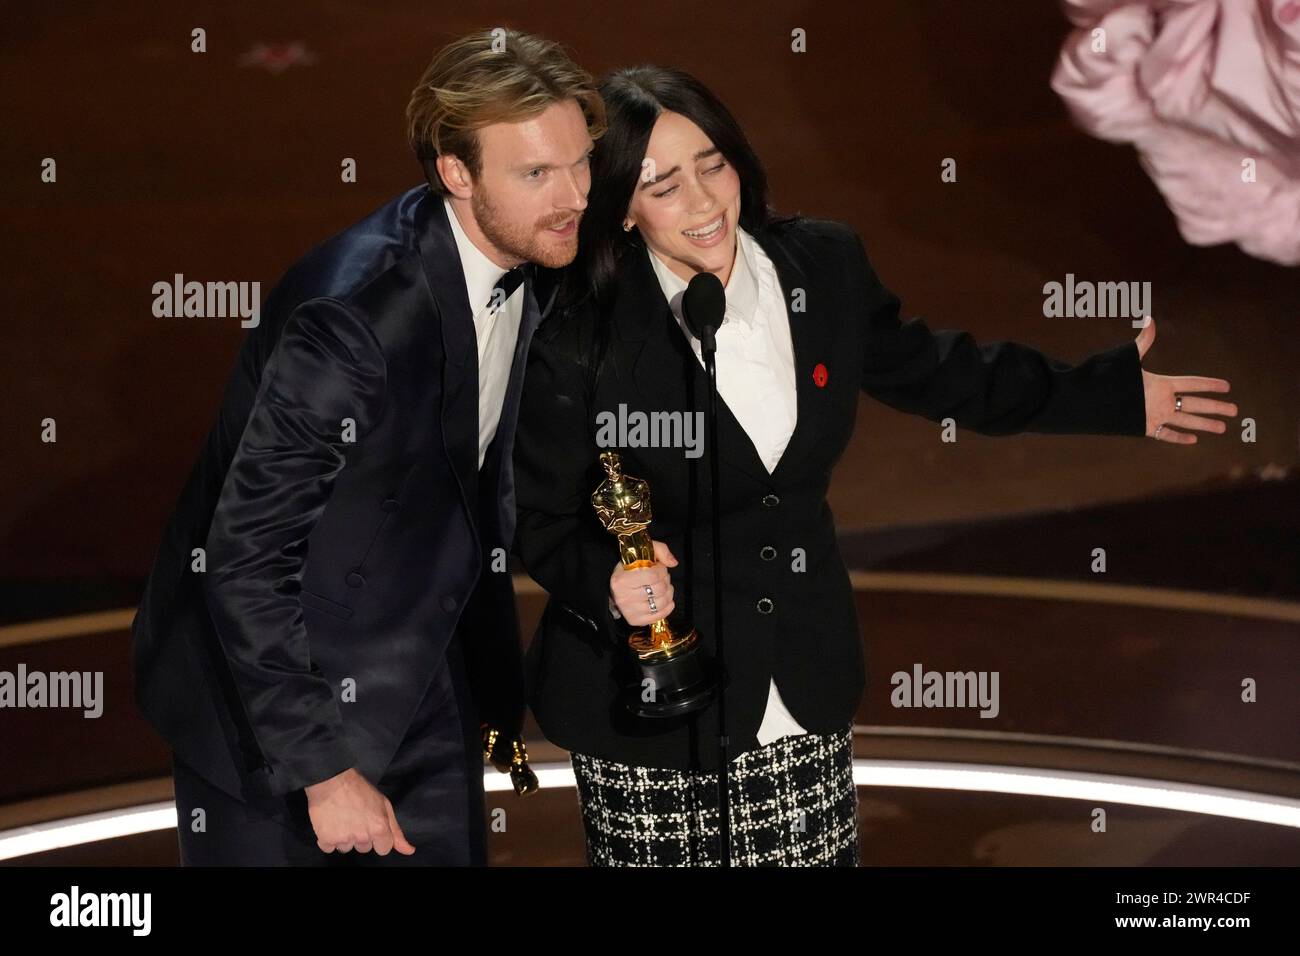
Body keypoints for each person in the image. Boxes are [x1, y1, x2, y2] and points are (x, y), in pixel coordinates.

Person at [511, 65, 1237, 866]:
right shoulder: (579, 334)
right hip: (651, 704)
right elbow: (535, 515)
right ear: (621, 206)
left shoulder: (821, 266)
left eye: (712, 165)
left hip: (799, 682)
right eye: (664, 185)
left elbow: (941, 372)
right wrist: (605, 582)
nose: (706, 202)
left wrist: (1105, 396)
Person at [130, 29, 603, 866]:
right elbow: (242, 557)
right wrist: (322, 771)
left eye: (579, 163)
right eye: (536, 173)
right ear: (456, 175)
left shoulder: (533, 251)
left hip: (422, 669)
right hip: (273, 707)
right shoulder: (354, 319)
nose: (573, 195)